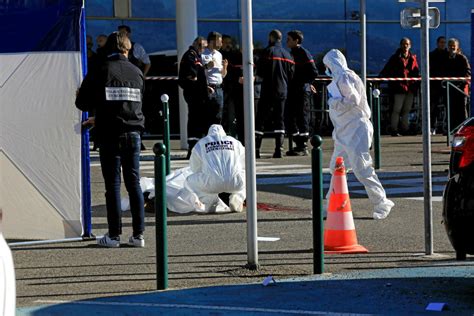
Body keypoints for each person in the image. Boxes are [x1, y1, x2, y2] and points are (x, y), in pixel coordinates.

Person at [76, 32, 146, 247]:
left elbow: (82, 103)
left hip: (109, 135)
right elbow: (132, 104)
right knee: (134, 184)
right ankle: (138, 236)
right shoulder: (137, 72)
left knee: (113, 186)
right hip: (133, 133)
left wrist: (82, 96)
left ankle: (114, 235)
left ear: (109, 48)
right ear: (128, 49)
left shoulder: (101, 69)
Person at [323, 49, 394, 220]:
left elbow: (352, 100)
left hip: (355, 130)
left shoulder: (345, 77)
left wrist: (333, 102)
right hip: (345, 130)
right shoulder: (340, 77)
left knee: (362, 168)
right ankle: (329, 205)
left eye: (327, 66)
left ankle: (381, 202)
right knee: (337, 168)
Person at [185, 124, 246, 213]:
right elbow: (245, 162)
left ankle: (210, 201)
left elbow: (194, 167)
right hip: (236, 182)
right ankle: (238, 197)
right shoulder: (234, 142)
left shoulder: (202, 143)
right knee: (249, 176)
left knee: (188, 181)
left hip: (211, 183)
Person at [255, 29, 295, 158]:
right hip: (282, 91)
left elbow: (260, 71)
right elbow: (291, 74)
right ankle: (279, 149)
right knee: (280, 120)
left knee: (260, 119)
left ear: (271, 38)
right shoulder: (288, 55)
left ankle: (256, 149)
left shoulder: (267, 52)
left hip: (267, 90)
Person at [285, 30, 318, 156]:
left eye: (288, 39)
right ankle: (297, 142)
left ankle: (303, 145)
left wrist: (307, 83)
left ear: (296, 40)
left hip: (301, 90)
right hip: (293, 89)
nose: (286, 42)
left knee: (302, 115)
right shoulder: (292, 53)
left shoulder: (303, 53)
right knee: (291, 115)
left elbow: (313, 72)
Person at [178, 36, 211, 159]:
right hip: (194, 93)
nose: (204, 49)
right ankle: (192, 148)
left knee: (198, 120)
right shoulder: (190, 55)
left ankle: (197, 147)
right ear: (198, 44)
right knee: (194, 119)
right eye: (203, 47)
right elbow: (193, 74)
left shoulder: (196, 56)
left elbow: (198, 72)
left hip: (198, 92)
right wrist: (198, 83)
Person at [380, 37, 419, 136]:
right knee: (396, 109)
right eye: (404, 44)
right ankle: (394, 129)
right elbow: (387, 70)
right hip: (398, 87)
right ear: (400, 45)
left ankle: (405, 129)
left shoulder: (413, 58)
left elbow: (416, 72)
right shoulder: (395, 58)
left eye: (407, 44)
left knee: (407, 110)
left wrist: (416, 85)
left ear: (410, 46)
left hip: (410, 88)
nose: (405, 46)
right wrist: (379, 80)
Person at [220, 35, 245, 143]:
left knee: (235, 117)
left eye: (229, 42)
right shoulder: (218, 56)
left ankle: (236, 139)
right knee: (225, 117)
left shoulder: (236, 57)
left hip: (234, 92)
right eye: (225, 42)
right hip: (223, 90)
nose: (228, 45)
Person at [201, 32, 228, 124]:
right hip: (208, 88)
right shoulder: (202, 54)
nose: (221, 44)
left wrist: (224, 67)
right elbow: (199, 72)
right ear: (212, 41)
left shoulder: (219, 55)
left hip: (219, 88)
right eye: (220, 41)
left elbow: (223, 75)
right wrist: (207, 66)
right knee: (206, 115)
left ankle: (216, 136)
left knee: (218, 116)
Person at [445, 38, 471, 131]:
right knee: (450, 109)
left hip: (461, 89)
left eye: (454, 46)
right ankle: (451, 129)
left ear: (457, 47)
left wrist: (461, 82)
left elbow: (467, 72)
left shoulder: (462, 58)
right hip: (450, 88)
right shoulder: (445, 58)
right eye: (450, 45)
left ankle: (463, 129)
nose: (452, 47)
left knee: (462, 109)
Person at [429, 36, 448, 135]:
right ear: (437, 43)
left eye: (444, 42)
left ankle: (446, 126)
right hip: (434, 85)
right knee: (433, 107)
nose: (443, 44)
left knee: (447, 106)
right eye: (441, 42)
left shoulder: (448, 55)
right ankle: (432, 127)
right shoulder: (432, 55)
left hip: (446, 84)